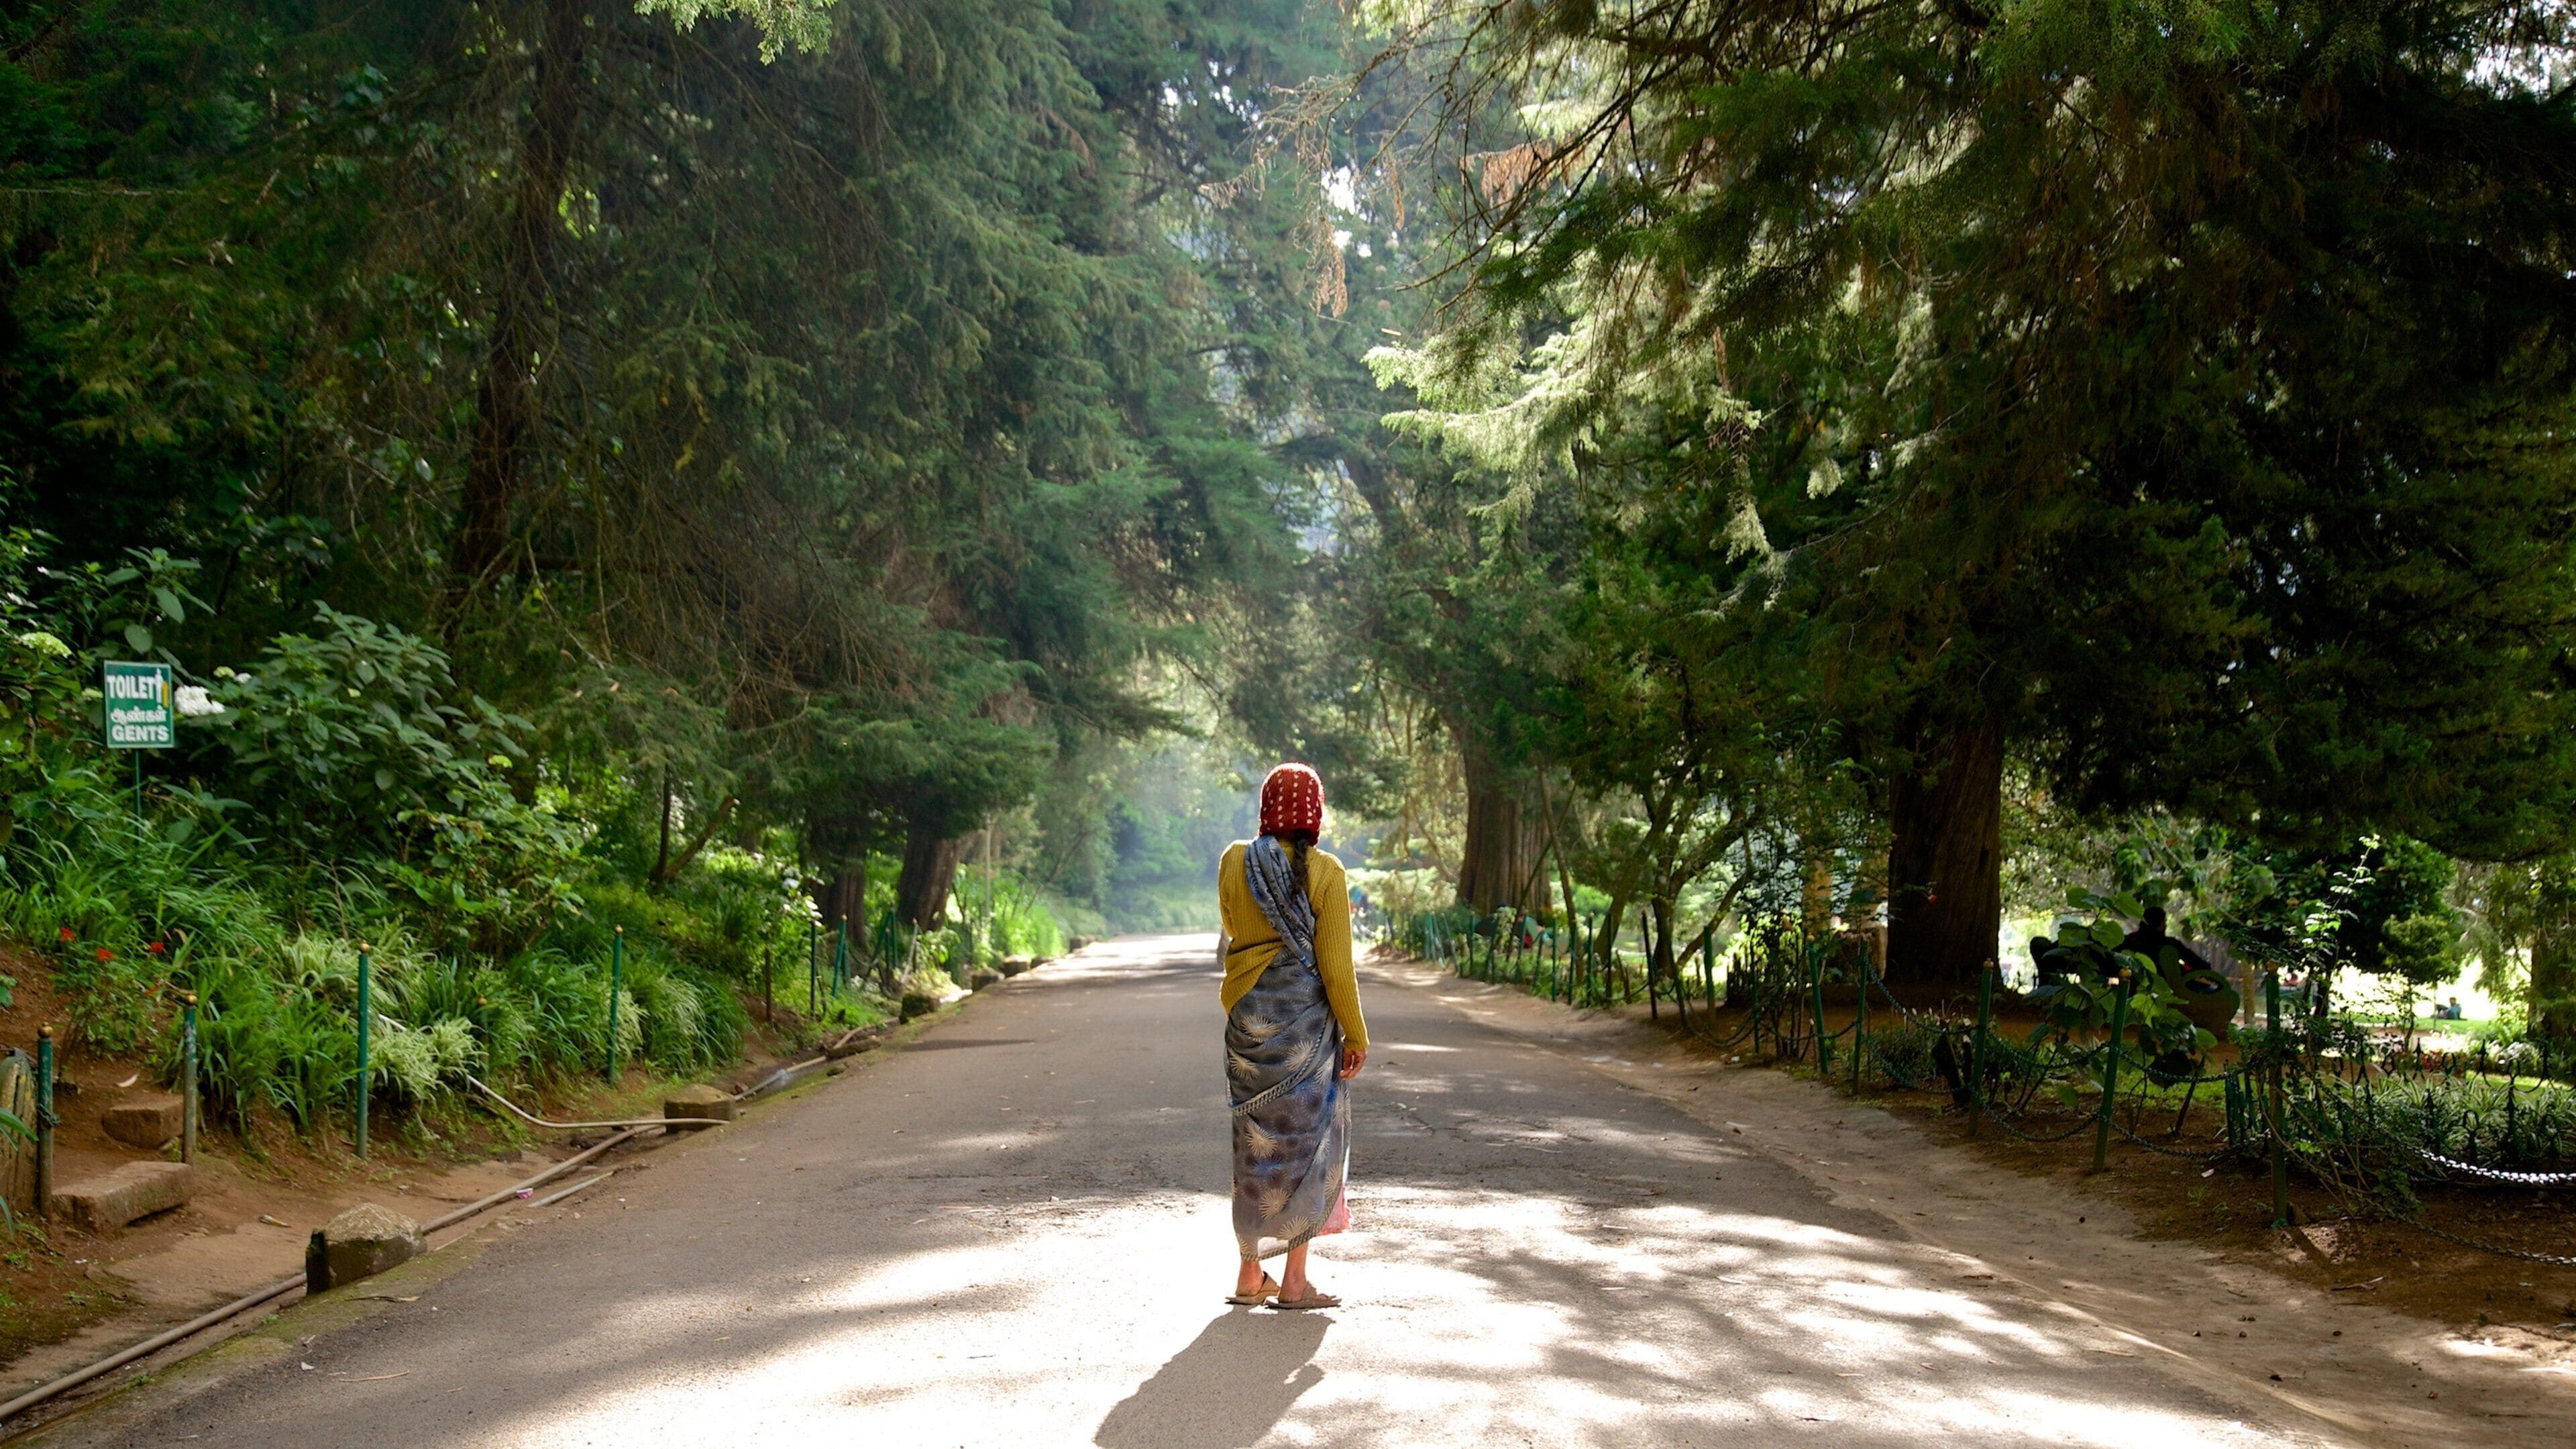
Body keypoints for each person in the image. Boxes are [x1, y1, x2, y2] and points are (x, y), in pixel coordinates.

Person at [1216, 763, 1367, 1311]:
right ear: (1315, 814)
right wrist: (1356, 1033)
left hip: (1248, 1025)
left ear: (1266, 809)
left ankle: (1251, 1275)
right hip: (1306, 1032)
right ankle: (1296, 1284)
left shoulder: (1235, 861)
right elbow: (1336, 967)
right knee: (1307, 1150)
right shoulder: (1327, 872)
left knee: (1253, 1150)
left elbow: (1234, 926)